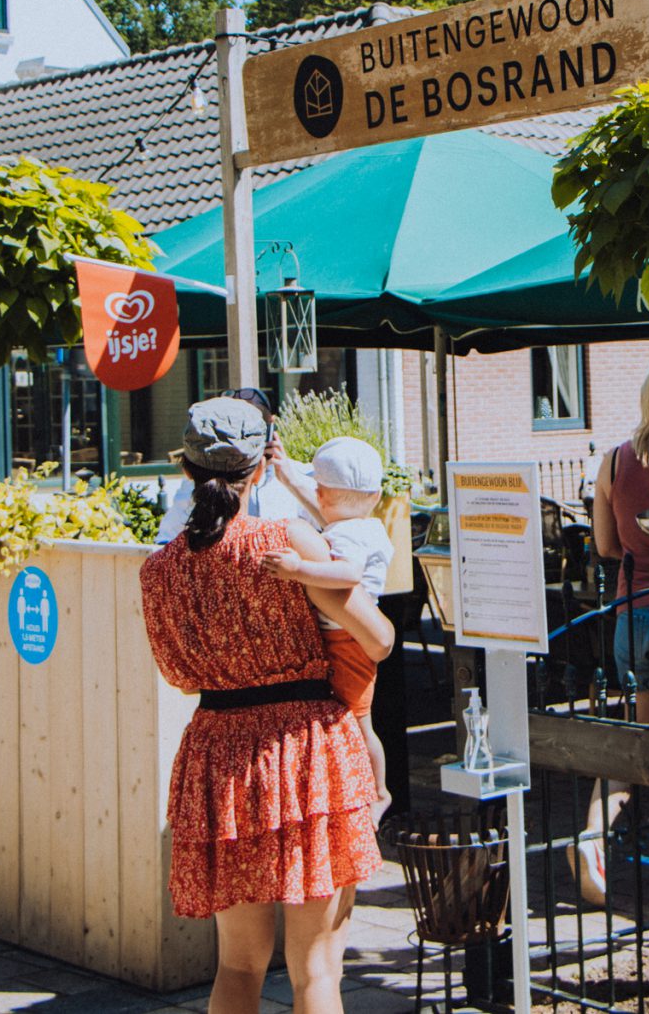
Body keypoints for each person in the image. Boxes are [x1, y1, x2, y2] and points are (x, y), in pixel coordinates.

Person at [140, 398, 392, 1014]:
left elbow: (176, 674)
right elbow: (379, 639)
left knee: (237, 965)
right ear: (258, 471)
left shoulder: (160, 570)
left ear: (189, 471)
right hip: (306, 749)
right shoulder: (283, 541)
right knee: (316, 970)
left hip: (219, 754)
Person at [574, 358, 649, 905]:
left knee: (639, 742)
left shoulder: (613, 462)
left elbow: (605, 547)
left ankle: (593, 831)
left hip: (633, 612)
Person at [258, 436, 396, 824]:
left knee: (358, 717)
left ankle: (380, 792)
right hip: (345, 635)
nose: (317, 499)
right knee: (352, 717)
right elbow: (321, 505)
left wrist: (297, 570)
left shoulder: (351, 534)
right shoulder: (356, 521)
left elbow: (347, 573)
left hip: (348, 639)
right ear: (375, 494)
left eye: (321, 493)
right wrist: (288, 478)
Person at [157, 386, 315, 542]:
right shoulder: (290, 535)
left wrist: (293, 482)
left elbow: (333, 530)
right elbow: (168, 536)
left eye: (249, 431)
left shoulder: (300, 473)